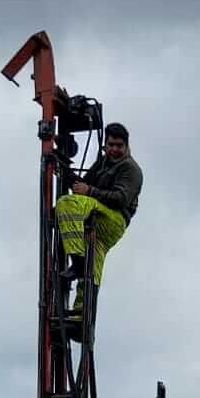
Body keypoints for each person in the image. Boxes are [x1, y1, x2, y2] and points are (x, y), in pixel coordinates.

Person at [56, 122, 142, 318]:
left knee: (68, 204)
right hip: (100, 218)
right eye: (111, 145)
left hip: (114, 218)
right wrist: (64, 169)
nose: (114, 149)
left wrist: (90, 191)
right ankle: (82, 316)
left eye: (119, 145)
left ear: (126, 145)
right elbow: (83, 184)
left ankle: (77, 263)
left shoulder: (131, 169)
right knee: (92, 267)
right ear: (105, 145)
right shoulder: (103, 163)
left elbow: (120, 199)